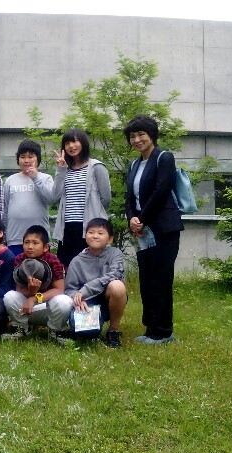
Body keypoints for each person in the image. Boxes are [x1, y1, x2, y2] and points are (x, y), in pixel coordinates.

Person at [124, 115, 183, 344]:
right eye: (132, 136)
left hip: (163, 228)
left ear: (152, 135)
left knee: (161, 278)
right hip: (143, 230)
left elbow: (161, 191)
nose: (137, 140)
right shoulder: (134, 164)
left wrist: (141, 218)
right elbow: (130, 197)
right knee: (146, 278)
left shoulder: (164, 158)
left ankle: (163, 332)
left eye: (141, 134)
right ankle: (150, 328)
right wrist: (132, 218)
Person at [61, 218, 127, 348]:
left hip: (108, 298)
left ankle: (113, 331)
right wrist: (78, 299)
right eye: (91, 232)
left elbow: (115, 274)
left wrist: (85, 290)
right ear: (85, 236)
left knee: (117, 286)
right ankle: (82, 327)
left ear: (110, 239)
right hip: (87, 302)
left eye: (100, 233)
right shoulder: (76, 260)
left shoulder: (115, 253)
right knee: (88, 334)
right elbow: (70, 289)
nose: (95, 236)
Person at [52, 129, 111, 268]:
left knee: (91, 268)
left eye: (75, 141)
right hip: (67, 227)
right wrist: (61, 169)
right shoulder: (65, 169)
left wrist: (94, 216)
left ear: (83, 142)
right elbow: (55, 196)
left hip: (89, 227)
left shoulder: (96, 166)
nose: (71, 146)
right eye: (67, 143)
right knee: (68, 267)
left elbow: (106, 199)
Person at [2, 225, 71, 340]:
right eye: (27, 242)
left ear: (46, 247)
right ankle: (23, 328)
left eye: (35, 243)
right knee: (10, 296)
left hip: (48, 307)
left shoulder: (52, 260)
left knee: (64, 301)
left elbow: (59, 289)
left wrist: (34, 298)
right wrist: (31, 292)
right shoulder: (20, 259)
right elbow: (19, 289)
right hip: (26, 308)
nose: (30, 247)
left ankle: (56, 331)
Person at [3, 140, 54, 255]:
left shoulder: (46, 178)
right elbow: (5, 209)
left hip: (39, 240)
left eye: (30, 157)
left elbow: (50, 199)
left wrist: (35, 177)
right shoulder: (10, 180)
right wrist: (5, 234)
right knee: (15, 266)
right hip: (14, 238)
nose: (26, 160)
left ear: (38, 159)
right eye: (22, 157)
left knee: (40, 266)